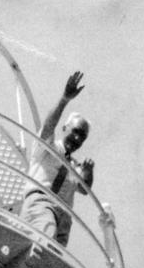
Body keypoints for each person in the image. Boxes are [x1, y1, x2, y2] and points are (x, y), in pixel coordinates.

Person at [20, 71, 95, 245]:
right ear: (64, 128)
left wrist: (88, 172)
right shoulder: (48, 147)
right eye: (75, 132)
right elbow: (48, 125)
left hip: (63, 219)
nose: (77, 139)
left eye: (82, 137)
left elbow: (84, 189)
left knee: (52, 260)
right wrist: (64, 99)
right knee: (42, 245)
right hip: (41, 203)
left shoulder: (75, 167)